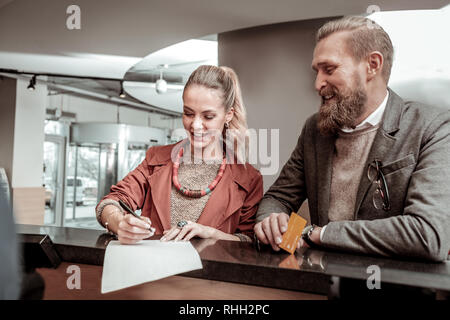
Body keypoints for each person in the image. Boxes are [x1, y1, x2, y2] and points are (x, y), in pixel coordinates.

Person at [254, 16, 450, 262]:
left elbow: (428, 235)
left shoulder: (433, 128)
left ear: (372, 65)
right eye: (317, 71)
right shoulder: (314, 130)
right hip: (322, 284)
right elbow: (278, 198)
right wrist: (271, 221)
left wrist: (320, 234)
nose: (317, 84)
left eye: (329, 69)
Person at [96, 65, 263, 245]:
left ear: (228, 115)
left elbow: (248, 241)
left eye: (208, 117)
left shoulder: (248, 179)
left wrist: (210, 233)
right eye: (188, 113)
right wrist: (120, 223)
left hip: (208, 273)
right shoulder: (156, 159)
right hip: (152, 270)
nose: (196, 125)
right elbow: (110, 202)